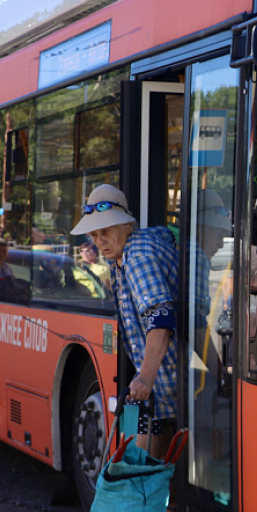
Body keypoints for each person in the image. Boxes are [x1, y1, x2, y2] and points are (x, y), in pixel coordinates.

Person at [71, 184, 179, 459]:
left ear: (126, 225)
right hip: (165, 385)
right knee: (150, 467)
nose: (99, 240)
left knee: (145, 472)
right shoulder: (125, 254)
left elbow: (161, 318)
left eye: (105, 231)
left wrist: (144, 376)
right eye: (94, 234)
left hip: (166, 383)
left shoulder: (138, 257)